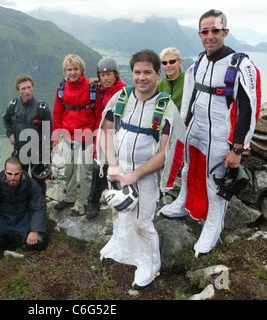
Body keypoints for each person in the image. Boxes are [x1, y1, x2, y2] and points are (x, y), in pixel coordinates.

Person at [159, 10, 261, 257]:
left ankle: (212, 228)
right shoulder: (199, 62)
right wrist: (182, 129)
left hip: (220, 134)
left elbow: (248, 107)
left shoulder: (240, 64)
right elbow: (189, 99)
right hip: (196, 129)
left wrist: (238, 148)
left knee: (214, 181)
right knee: (189, 168)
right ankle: (183, 204)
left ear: (225, 32)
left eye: (215, 30)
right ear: (199, 34)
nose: (210, 36)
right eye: (205, 31)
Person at [95, 49, 186, 290]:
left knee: (142, 222)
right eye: (137, 72)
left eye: (148, 72)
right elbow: (105, 131)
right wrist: (113, 164)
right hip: (118, 169)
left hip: (144, 175)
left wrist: (135, 175)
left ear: (158, 74)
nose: (142, 77)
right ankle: (121, 248)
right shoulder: (121, 98)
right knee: (120, 213)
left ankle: (150, 264)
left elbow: (165, 153)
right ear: (131, 73)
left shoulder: (165, 107)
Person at [52, 54, 96, 215]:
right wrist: (56, 138)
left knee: (86, 173)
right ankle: (70, 196)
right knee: (69, 169)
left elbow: (97, 114)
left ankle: (84, 202)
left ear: (82, 69)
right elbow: (57, 113)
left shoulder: (92, 88)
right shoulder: (62, 89)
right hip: (68, 136)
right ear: (65, 70)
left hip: (87, 136)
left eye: (76, 69)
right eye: (69, 69)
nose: (72, 72)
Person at [0, 156, 48, 251]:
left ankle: (24, 243)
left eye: (16, 174)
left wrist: (34, 230)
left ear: (21, 172)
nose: (13, 177)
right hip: (2, 218)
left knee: (40, 241)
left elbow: (39, 207)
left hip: (24, 218)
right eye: (9, 173)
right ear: (5, 172)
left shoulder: (31, 184)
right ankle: (2, 238)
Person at [85, 57, 126, 220]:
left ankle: (120, 202)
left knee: (116, 170)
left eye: (109, 74)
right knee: (98, 168)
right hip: (103, 136)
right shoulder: (100, 91)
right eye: (102, 75)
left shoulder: (124, 92)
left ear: (116, 75)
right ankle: (93, 204)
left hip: (120, 138)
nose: (106, 78)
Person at [3, 74, 53, 196]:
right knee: (20, 180)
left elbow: (49, 132)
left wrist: (47, 156)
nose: (27, 91)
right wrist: (10, 133)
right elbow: (6, 120)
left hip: (38, 153)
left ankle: (40, 207)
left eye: (29, 87)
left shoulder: (42, 108)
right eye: (23, 89)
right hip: (20, 151)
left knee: (39, 182)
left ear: (33, 87)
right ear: (18, 90)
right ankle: (22, 205)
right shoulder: (13, 106)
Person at [156, 47, 185, 113]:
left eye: (172, 62)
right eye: (164, 63)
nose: (168, 65)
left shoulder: (189, 83)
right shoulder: (158, 86)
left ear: (180, 62)